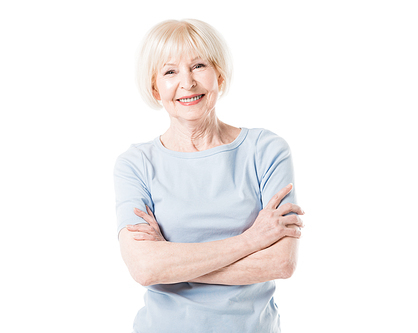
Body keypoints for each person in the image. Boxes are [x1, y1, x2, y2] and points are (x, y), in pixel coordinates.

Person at [113, 18, 305, 333]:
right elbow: (145, 267)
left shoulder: (266, 150)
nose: (187, 83)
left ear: (219, 74)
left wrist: (171, 263)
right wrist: (252, 240)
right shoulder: (135, 164)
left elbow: (281, 263)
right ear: (154, 87)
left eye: (199, 65)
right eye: (170, 71)